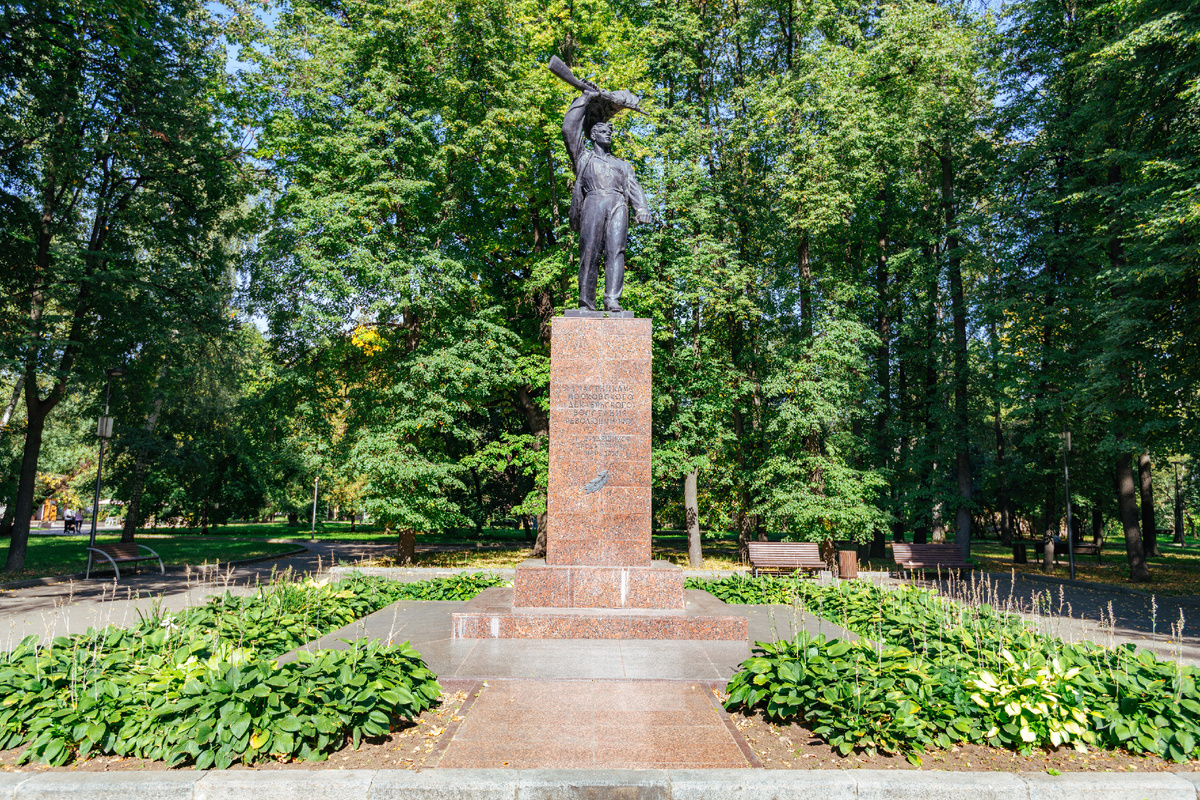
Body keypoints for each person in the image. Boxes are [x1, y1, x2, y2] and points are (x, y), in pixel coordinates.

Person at [561, 90, 652, 313]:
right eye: (602, 130)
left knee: (616, 251)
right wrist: (584, 98)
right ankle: (586, 302)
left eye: (610, 130)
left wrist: (641, 208)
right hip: (593, 202)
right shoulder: (584, 157)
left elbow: (633, 186)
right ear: (593, 135)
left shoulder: (622, 165)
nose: (608, 133)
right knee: (589, 251)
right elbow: (569, 130)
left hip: (618, 204)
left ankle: (612, 299)